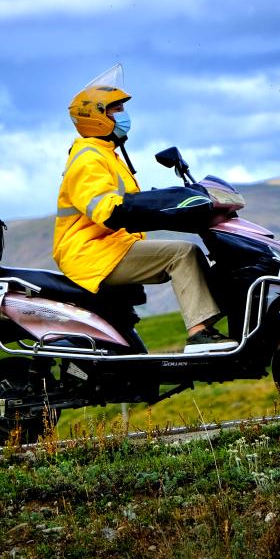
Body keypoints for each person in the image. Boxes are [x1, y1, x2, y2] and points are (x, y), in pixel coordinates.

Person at [53, 64, 238, 353]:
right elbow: (109, 211)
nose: (123, 115)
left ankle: (215, 322)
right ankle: (200, 333)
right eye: (116, 109)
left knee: (191, 255)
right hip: (92, 253)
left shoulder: (107, 155)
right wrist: (164, 202)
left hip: (109, 248)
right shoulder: (88, 159)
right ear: (96, 117)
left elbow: (129, 203)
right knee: (183, 254)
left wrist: (170, 203)